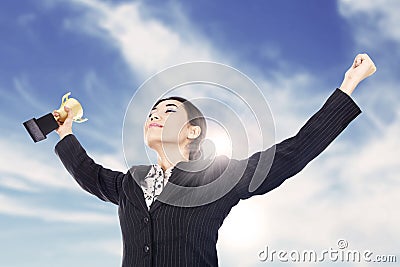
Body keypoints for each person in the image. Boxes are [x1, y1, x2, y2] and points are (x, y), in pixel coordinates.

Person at [54, 54, 376, 267]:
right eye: (151, 113)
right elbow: (88, 173)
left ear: (192, 130)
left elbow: (295, 151)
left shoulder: (217, 177)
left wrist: (348, 85)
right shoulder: (130, 183)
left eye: (167, 112)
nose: (154, 116)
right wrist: (65, 132)